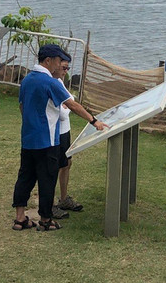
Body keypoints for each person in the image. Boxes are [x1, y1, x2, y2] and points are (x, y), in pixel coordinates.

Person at [12, 44, 108, 231]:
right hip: (47, 140)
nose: (60, 65)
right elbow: (72, 105)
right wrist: (94, 121)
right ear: (48, 61)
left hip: (28, 138)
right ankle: (46, 220)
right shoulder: (51, 82)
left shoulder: (27, 80)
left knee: (25, 177)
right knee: (47, 178)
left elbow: (22, 106)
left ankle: (19, 218)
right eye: (58, 61)